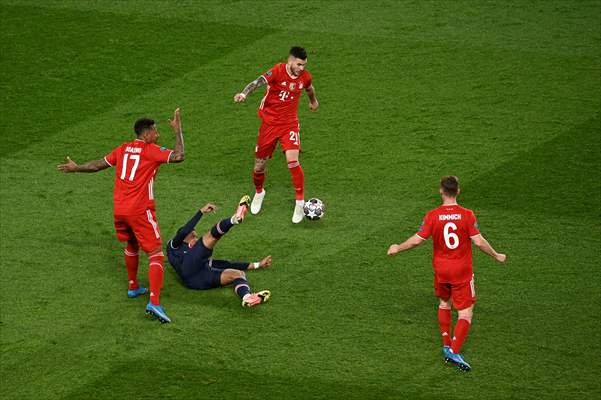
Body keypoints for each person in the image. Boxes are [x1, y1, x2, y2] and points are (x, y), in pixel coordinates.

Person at [57, 108, 185, 323]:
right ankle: (154, 302)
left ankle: (133, 286)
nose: (158, 135)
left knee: (132, 245)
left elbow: (98, 165)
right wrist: (178, 132)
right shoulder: (150, 150)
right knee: (155, 254)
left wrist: (76, 168)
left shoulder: (122, 149)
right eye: (155, 131)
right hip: (140, 210)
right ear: (146, 134)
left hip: (120, 209)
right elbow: (179, 156)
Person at [387, 176, 507, 371]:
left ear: (441, 191)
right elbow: (478, 241)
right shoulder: (467, 215)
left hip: (441, 270)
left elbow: (417, 240)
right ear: (458, 191)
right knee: (465, 312)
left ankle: (445, 343)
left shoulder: (433, 215)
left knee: (444, 303)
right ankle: (454, 351)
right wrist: (496, 255)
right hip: (461, 271)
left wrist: (397, 248)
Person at [234, 46, 319, 223]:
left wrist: (313, 101)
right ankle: (259, 192)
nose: (301, 68)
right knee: (259, 166)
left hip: (289, 124)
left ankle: (300, 202)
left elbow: (309, 88)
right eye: (299, 64)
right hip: (269, 124)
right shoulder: (277, 71)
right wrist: (244, 93)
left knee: (293, 161)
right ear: (290, 61)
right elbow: (257, 82)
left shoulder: (305, 77)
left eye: (304, 65)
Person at [167, 196, 272, 307]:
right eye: (193, 234)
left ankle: (247, 298)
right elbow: (184, 231)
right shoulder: (173, 246)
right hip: (187, 270)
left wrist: (257, 265)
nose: (196, 237)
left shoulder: (196, 253)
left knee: (237, 274)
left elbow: (225, 264)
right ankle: (235, 219)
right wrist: (200, 212)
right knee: (210, 236)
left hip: (198, 280)